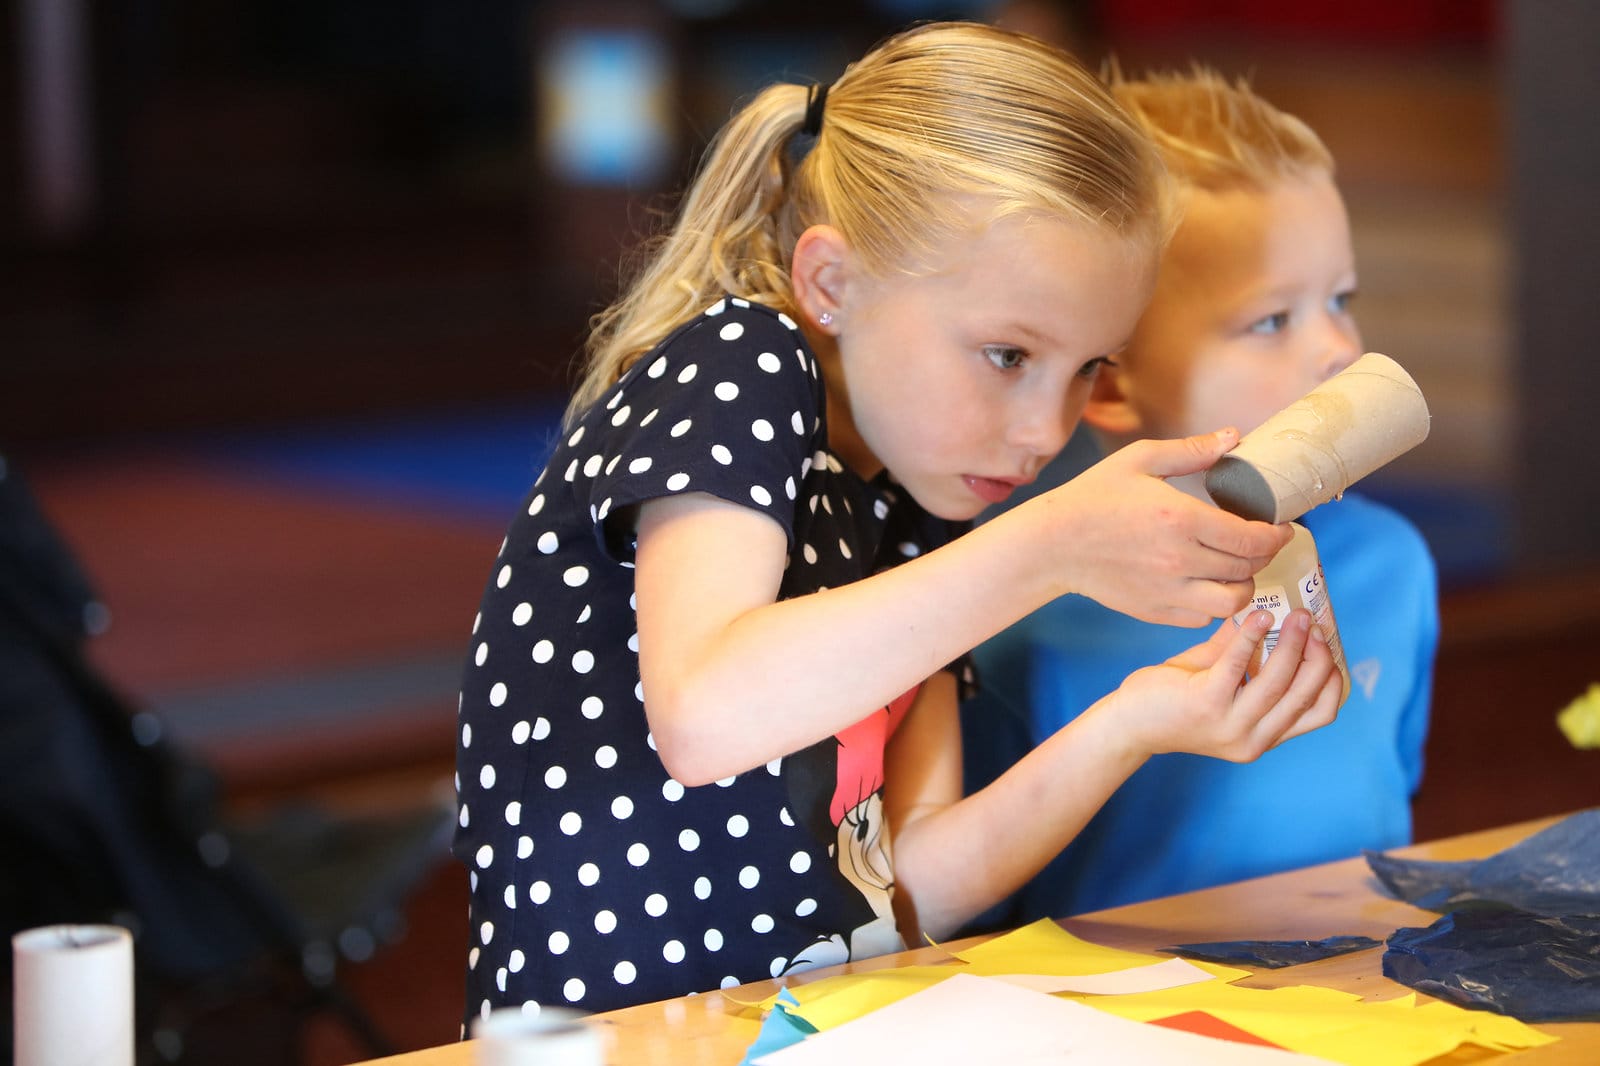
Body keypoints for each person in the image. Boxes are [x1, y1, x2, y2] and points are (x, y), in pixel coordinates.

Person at [453, 23, 1344, 1025]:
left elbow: (906, 887)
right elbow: (705, 713)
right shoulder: (741, 364)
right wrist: (1049, 544)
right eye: (1008, 356)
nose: (1045, 431)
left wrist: (1133, 724)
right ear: (832, 285)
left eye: (1088, 367)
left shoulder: (924, 503)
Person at [960, 66, 1440, 924]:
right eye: (1271, 320)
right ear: (1112, 383)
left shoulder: (1394, 565)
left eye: (1341, 299)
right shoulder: (1020, 619)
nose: (1339, 347)